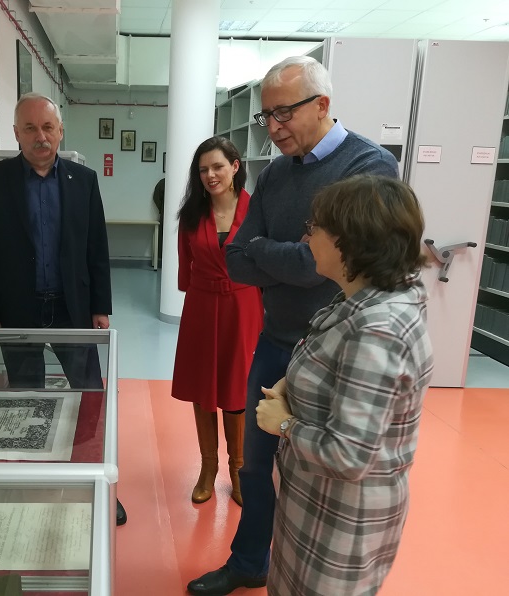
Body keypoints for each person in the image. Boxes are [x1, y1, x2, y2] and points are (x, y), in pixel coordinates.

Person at [188, 56, 400, 595]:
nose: (273, 127)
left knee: (318, 479)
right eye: (266, 116)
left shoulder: (369, 167)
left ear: (322, 104)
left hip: (336, 352)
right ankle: (249, 562)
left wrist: (269, 253)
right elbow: (238, 259)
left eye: (283, 113)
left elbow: (317, 266)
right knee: (255, 467)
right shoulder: (276, 173)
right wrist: (285, 256)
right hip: (276, 340)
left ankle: (306, 577)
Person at [256, 174, 434, 594]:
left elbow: (349, 455)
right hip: (314, 506)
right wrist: (291, 383)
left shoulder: (379, 329)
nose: (306, 238)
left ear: (348, 241)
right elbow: (333, 367)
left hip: (340, 523)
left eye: (314, 227)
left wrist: (285, 424)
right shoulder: (359, 299)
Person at [0, 92, 127, 526]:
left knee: (90, 397)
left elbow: (96, 247)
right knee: (25, 400)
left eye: (48, 128)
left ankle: (98, 481)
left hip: (72, 309)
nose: (40, 136)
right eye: (30, 128)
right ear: (16, 133)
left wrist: (101, 306)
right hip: (17, 309)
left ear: (60, 132)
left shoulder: (83, 180)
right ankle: (29, 480)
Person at [172, 137, 263, 506]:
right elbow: (185, 265)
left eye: (217, 167)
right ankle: (208, 466)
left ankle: (238, 469)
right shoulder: (191, 214)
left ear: (235, 167)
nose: (210, 175)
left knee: (237, 388)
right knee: (203, 388)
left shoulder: (257, 210)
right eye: (203, 170)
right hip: (202, 306)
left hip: (243, 307)